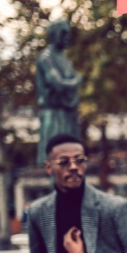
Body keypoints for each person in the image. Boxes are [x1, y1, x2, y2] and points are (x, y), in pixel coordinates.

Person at [36, 20, 82, 164]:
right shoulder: (46, 58)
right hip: (54, 115)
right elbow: (57, 83)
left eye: (68, 34)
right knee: (55, 158)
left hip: (67, 112)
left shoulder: (64, 59)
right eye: (63, 33)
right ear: (54, 34)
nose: (67, 37)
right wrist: (75, 82)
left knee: (71, 157)